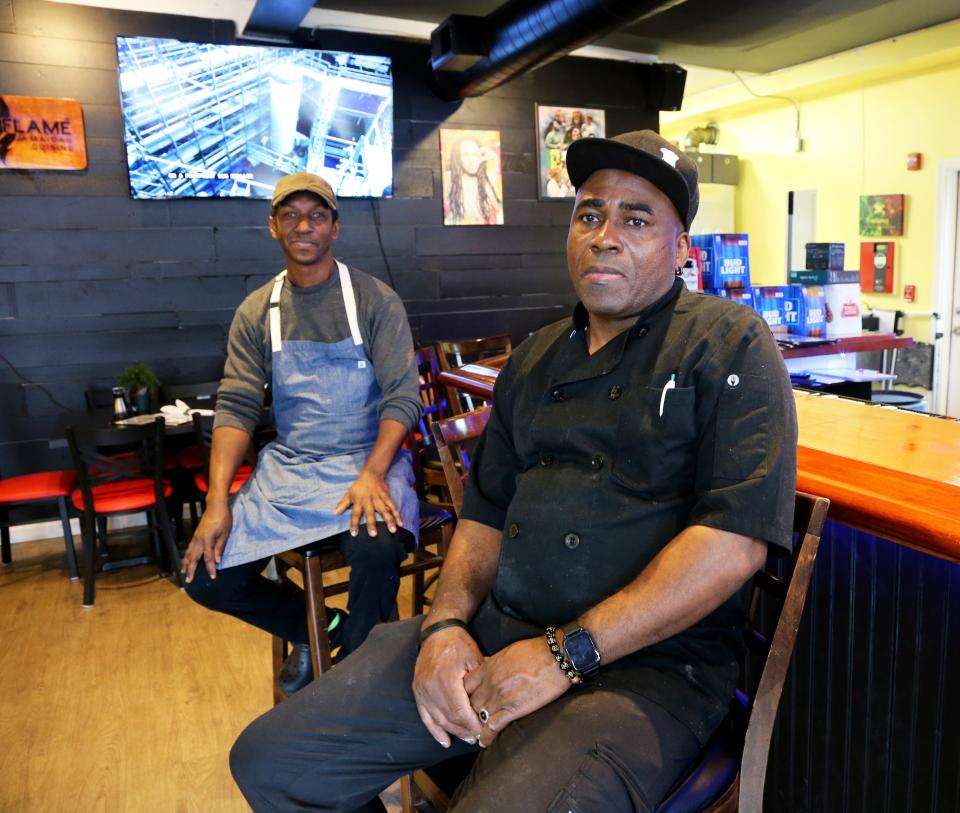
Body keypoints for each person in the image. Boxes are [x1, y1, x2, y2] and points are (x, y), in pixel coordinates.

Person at [229, 131, 798, 812]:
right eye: (590, 214)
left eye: (637, 219)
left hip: (645, 674)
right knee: (271, 760)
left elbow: (734, 543)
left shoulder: (728, 341)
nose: (605, 235)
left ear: (681, 248)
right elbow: (484, 514)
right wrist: (443, 626)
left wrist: (566, 653)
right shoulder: (531, 361)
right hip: (496, 637)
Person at [181, 171, 422, 695]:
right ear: (273, 226)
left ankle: (360, 691)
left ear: (335, 226)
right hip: (291, 469)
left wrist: (373, 474)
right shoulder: (257, 312)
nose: (303, 225)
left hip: (367, 461)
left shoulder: (375, 301)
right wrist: (217, 502)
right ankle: (322, 630)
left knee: (378, 551)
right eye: (290, 215)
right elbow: (237, 405)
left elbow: (404, 397)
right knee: (205, 576)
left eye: (316, 214)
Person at [443, 135, 503, 225]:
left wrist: (495, 159)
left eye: (475, 154)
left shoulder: (487, 179)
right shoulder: (449, 178)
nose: (472, 160)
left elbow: (498, 210)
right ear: (458, 158)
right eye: (466, 154)